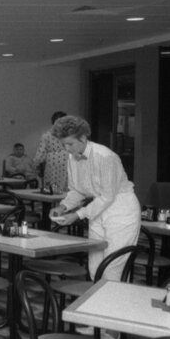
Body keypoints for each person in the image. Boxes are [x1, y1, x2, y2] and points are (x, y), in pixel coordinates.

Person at [49, 115, 140, 287]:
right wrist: (63, 206)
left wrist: (78, 214)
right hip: (97, 210)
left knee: (113, 269)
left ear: (83, 138)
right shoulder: (72, 157)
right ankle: (95, 311)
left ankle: (113, 311)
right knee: (95, 267)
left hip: (121, 210)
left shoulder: (105, 156)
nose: (66, 149)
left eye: (70, 144)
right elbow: (77, 190)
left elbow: (108, 196)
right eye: (63, 144)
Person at [33, 110, 69, 192]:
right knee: (66, 188)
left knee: (52, 187)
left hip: (53, 163)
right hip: (67, 162)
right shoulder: (71, 134)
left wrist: (36, 165)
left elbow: (40, 153)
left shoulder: (46, 135)